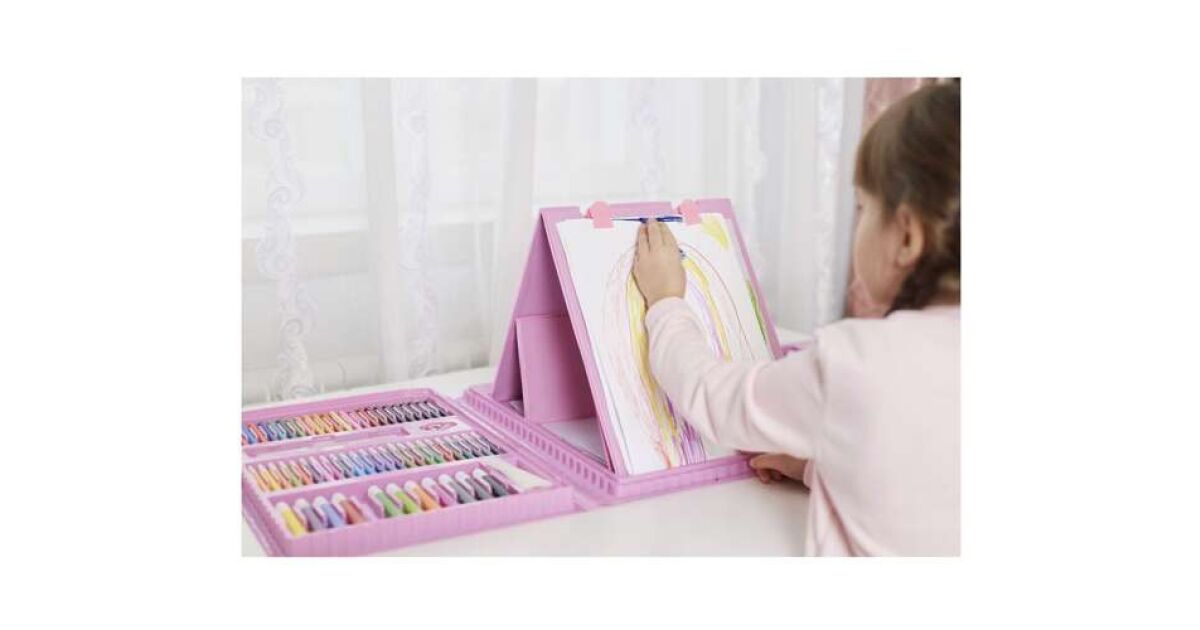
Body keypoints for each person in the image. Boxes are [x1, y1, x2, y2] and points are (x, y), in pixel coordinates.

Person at [632, 82, 960, 555]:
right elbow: (928, 481)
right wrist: (819, 467)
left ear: (907, 237)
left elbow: (715, 397)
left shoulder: (856, 363)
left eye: (864, 208)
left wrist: (665, 302)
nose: (859, 221)